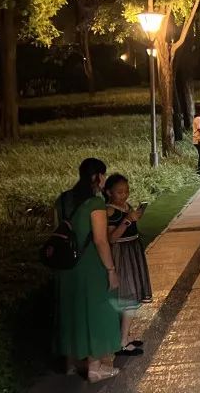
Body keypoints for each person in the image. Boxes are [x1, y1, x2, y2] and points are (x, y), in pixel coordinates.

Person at [54, 158, 122, 382]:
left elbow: (59, 233)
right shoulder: (95, 204)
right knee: (97, 312)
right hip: (90, 266)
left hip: (65, 266)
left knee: (71, 311)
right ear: (99, 177)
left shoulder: (62, 200)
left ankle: (70, 363)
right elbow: (101, 241)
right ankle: (94, 368)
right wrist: (111, 270)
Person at [104, 174, 152, 356]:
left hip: (133, 250)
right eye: (119, 192)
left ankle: (126, 336)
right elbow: (112, 238)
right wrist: (128, 220)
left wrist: (135, 216)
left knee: (133, 295)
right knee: (128, 297)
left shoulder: (126, 207)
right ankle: (122, 342)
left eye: (126, 191)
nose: (124, 195)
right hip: (122, 254)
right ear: (108, 192)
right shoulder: (109, 211)